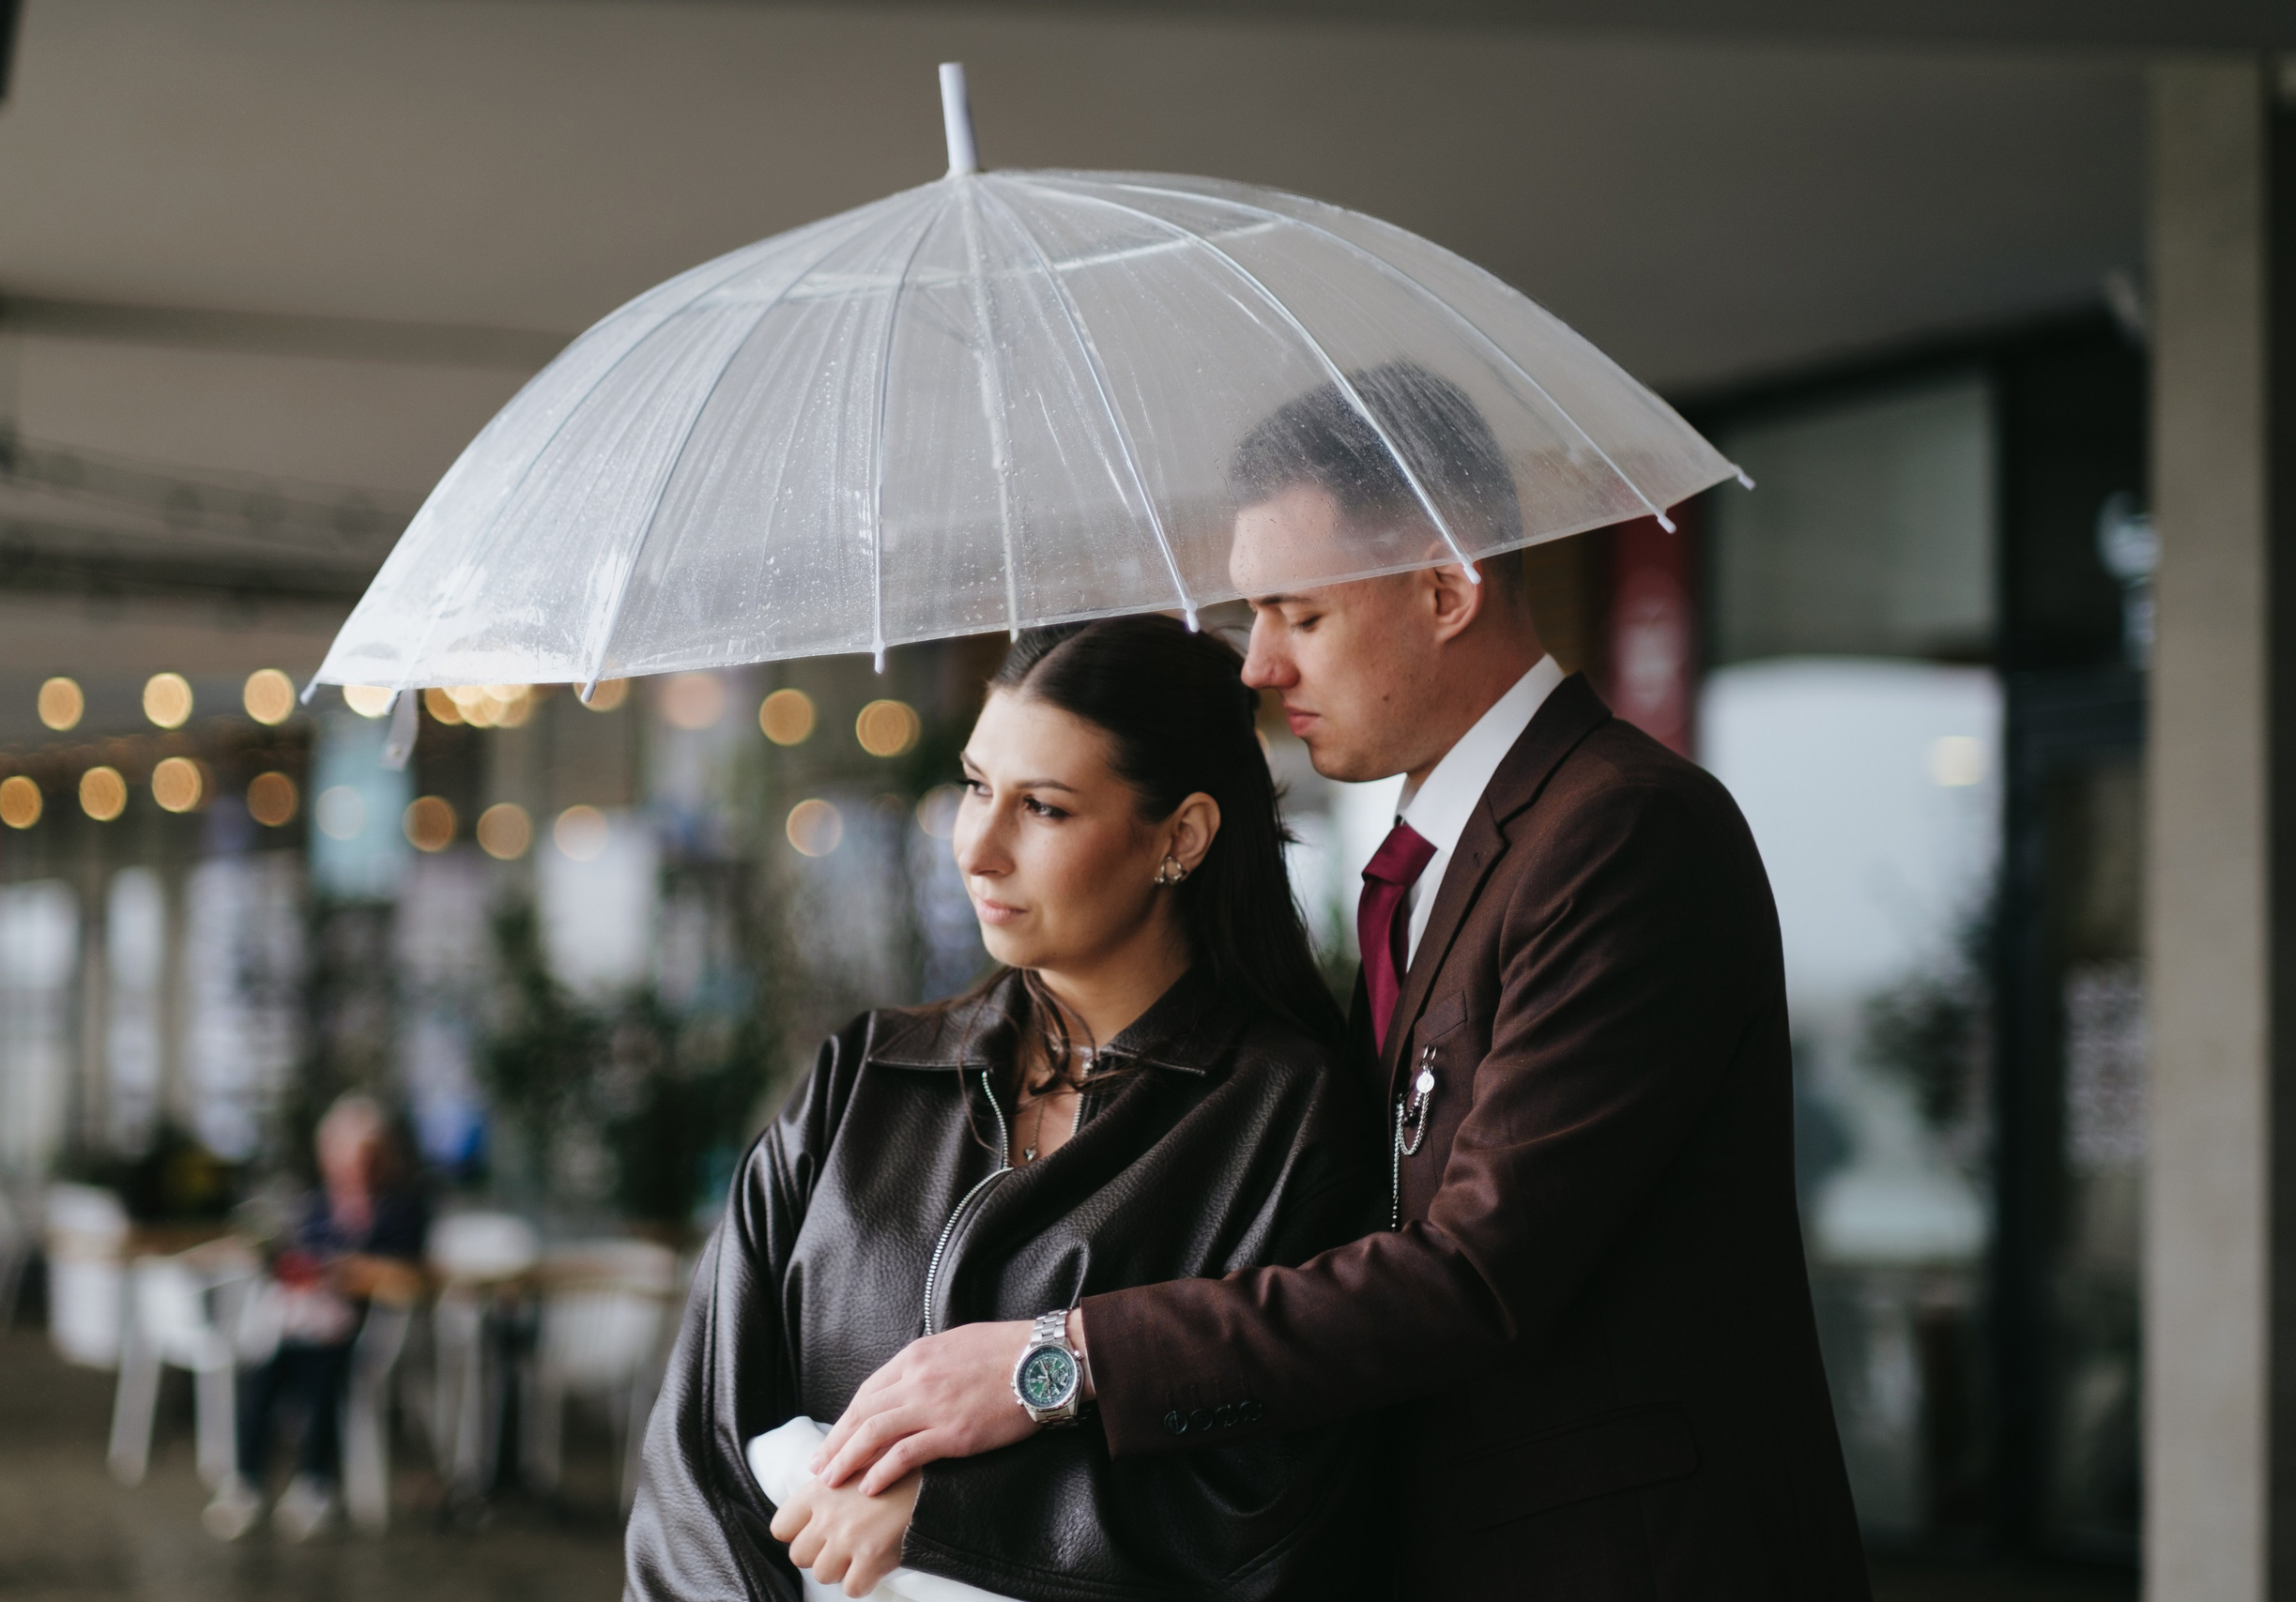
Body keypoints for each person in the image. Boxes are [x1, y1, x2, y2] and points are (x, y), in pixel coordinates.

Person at [809, 364, 1874, 1598]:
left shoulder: (1624, 833)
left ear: (1445, 584)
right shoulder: (1435, 856)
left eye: (1295, 613)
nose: (1256, 664)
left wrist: (1056, 1357)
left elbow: (1475, 1269)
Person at [626, 618, 1381, 1601]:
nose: (977, 848)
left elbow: (1268, 1512)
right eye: (978, 786)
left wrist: (949, 1522)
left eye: (1047, 809)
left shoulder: (1284, 1120)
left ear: (1181, 837)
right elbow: (700, 1451)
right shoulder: (866, 1078)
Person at [204, 1091, 426, 1543]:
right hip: (309, 1321)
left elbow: (408, 1272)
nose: (351, 1165)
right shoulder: (317, 1206)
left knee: (324, 1370)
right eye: (342, 1154)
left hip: (368, 1329)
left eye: (362, 1155)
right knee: (264, 1369)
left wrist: (352, 1272)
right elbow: (299, 1257)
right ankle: (246, 1481)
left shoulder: (402, 1209)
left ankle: (315, 1484)